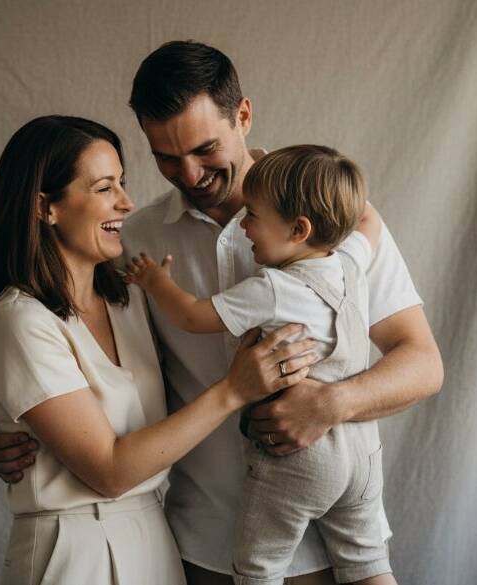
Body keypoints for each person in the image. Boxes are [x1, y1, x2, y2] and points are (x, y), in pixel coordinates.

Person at [0, 41, 444, 585]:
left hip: (328, 542)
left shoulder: (330, 221)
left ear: (243, 116)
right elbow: (74, 352)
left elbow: (422, 364)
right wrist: (15, 432)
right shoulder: (136, 241)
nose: (191, 173)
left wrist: (330, 403)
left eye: (205, 149)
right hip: (197, 548)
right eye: (166, 158)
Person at [0, 114, 316, 585]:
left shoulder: (129, 298)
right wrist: (234, 390)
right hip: (74, 554)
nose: (126, 201)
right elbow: (109, 471)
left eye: (123, 182)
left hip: (155, 541)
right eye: (103, 188)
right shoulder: (20, 320)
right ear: (44, 207)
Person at [126, 144, 397, 585]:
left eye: (252, 215)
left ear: (298, 228)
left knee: (257, 567)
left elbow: (193, 315)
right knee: (368, 563)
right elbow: (369, 220)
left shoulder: (272, 287)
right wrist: (337, 193)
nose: (244, 225)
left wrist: (157, 282)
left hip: (302, 461)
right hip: (363, 453)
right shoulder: (349, 263)